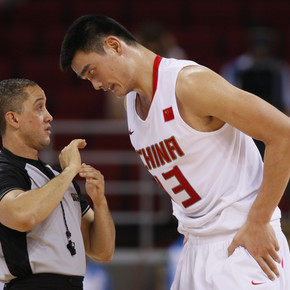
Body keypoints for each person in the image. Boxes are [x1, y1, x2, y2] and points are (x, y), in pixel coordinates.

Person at [59, 15, 290, 289]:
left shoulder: (189, 84)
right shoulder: (131, 105)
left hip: (242, 239)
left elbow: (284, 134)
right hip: (194, 246)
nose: (95, 85)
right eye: (87, 79)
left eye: (92, 72)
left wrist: (259, 220)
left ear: (113, 46)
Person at [0, 78, 115, 289]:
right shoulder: (4, 169)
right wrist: (70, 170)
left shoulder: (57, 178)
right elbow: (22, 216)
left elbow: (103, 251)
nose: (49, 116)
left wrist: (100, 203)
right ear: (13, 119)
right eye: (39, 107)